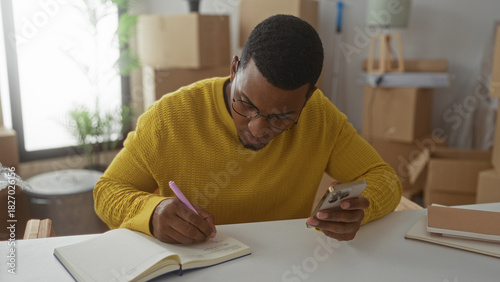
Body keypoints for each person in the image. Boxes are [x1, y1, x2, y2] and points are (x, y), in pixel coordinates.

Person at [94, 14, 402, 244]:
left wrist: (359, 210)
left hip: (283, 266)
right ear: (234, 69)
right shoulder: (169, 118)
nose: (257, 128)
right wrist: (153, 212)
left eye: (281, 117)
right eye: (245, 103)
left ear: (308, 97)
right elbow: (106, 192)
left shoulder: (321, 118)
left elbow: (385, 179)